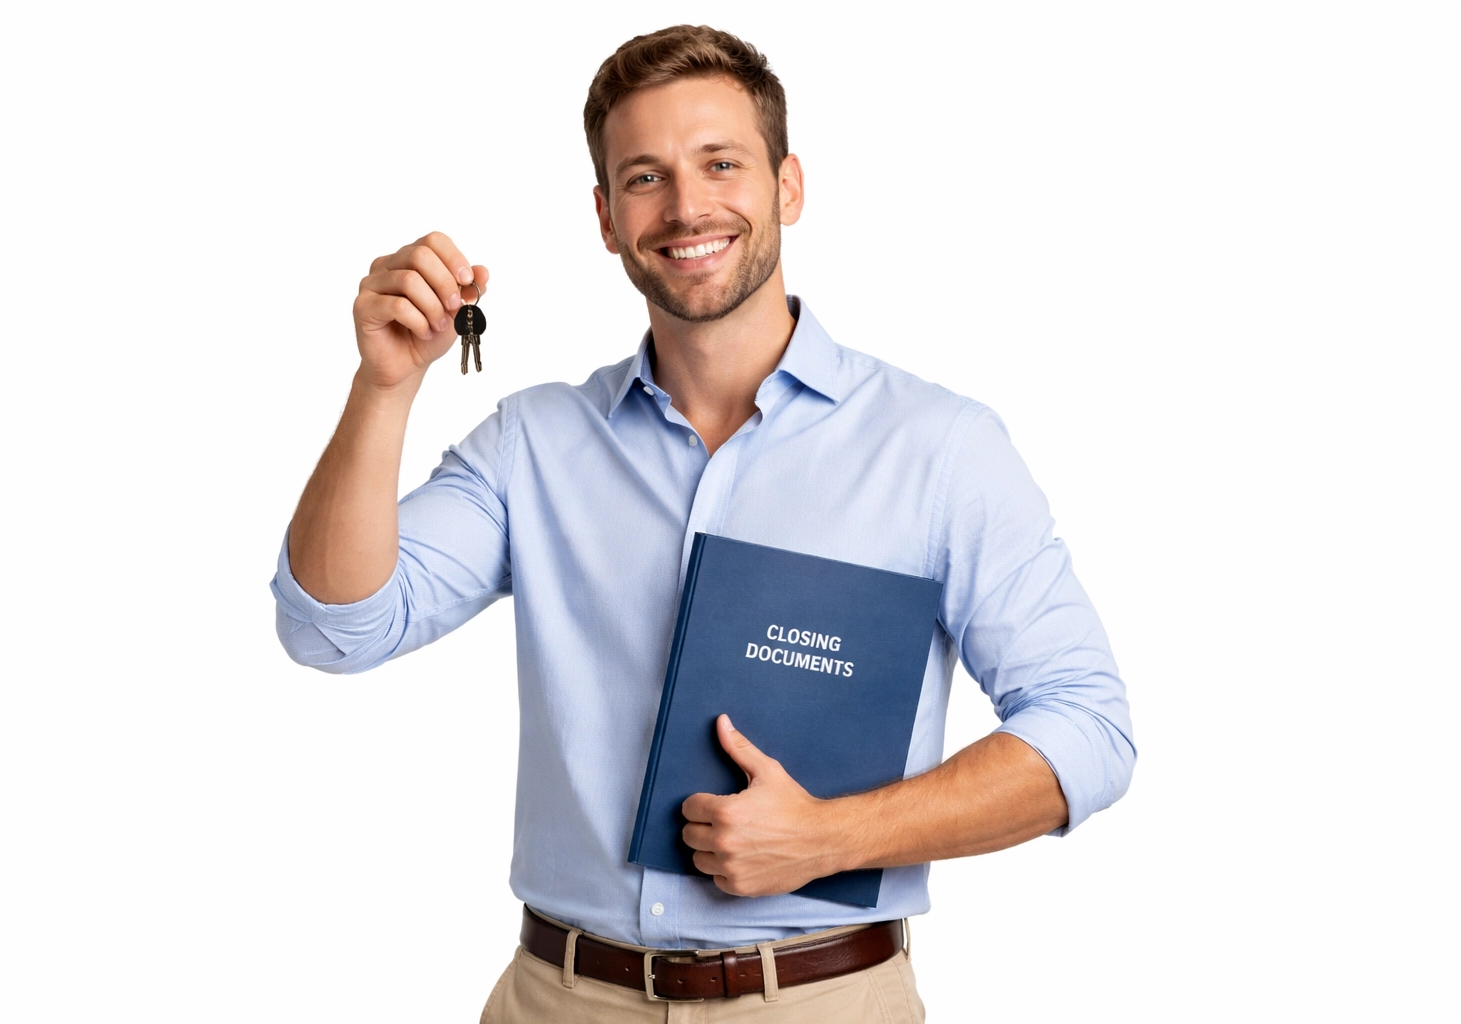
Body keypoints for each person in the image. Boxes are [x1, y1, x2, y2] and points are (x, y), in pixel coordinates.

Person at [271, 24, 1135, 1023]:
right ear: (606, 219)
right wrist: (384, 388)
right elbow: (333, 627)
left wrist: (833, 837)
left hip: (820, 1000)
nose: (686, 207)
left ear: (788, 187)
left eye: (721, 163)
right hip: (560, 1000)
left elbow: (1087, 729)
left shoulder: (940, 449)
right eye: (645, 177)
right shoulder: (532, 444)